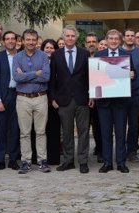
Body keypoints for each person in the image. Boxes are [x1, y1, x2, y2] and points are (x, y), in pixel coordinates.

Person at [49, 25, 92, 174]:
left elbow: (90, 77)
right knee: (66, 132)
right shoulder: (56, 55)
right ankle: (68, 161)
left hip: (82, 99)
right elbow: (52, 79)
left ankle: (83, 161)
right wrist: (52, 98)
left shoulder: (84, 54)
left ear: (77, 37)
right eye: (67, 36)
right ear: (63, 37)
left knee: (84, 132)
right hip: (63, 99)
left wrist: (92, 95)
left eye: (73, 36)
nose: (70, 38)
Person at [94, 29, 133, 173]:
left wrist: (131, 74)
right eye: (111, 38)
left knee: (121, 133)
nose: (114, 41)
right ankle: (107, 162)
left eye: (116, 39)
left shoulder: (126, 56)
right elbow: (95, 78)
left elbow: (132, 76)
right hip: (103, 102)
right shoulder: (99, 55)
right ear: (106, 39)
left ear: (120, 41)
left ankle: (121, 162)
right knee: (105, 133)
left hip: (121, 102)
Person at [13, 29, 51, 174]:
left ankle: (42, 161)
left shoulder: (43, 56)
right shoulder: (17, 57)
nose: (30, 42)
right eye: (27, 39)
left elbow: (46, 76)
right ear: (23, 41)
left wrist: (26, 75)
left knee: (41, 132)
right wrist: (36, 73)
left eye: (33, 40)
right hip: (23, 98)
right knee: (24, 133)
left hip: (41, 97)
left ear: (37, 41)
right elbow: (17, 77)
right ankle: (26, 161)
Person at [0, 31, 21, 171]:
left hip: (19, 95)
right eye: (7, 39)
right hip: (3, 95)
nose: (10, 41)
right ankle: (0, 160)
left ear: (16, 41)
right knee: (1, 129)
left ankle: (14, 159)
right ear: (3, 42)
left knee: (15, 129)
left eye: (12, 39)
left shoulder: (22, 56)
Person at [39, 39, 61, 165]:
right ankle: (39, 157)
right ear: (42, 49)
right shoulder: (39, 62)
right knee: (40, 130)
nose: (49, 50)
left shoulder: (59, 62)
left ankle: (53, 158)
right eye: (47, 47)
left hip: (55, 101)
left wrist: (54, 98)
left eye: (52, 48)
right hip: (40, 97)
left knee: (54, 130)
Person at [123, 28, 139, 163]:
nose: (130, 38)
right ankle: (121, 150)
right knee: (120, 124)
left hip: (136, 92)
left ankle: (132, 150)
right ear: (123, 38)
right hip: (120, 94)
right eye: (127, 35)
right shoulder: (118, 52)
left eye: (132, 35)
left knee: (134, 123)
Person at [84, 32, 103, 163]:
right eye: (89, 42)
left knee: (99, 126)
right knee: (85, 127)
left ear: (97, 44)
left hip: (100, 97)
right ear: (85, 44)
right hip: (84, 97)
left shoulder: (102, 57)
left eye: (93, 41)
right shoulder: (81, 57)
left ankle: (101, 150)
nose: (91, 44)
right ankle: (83, 153)